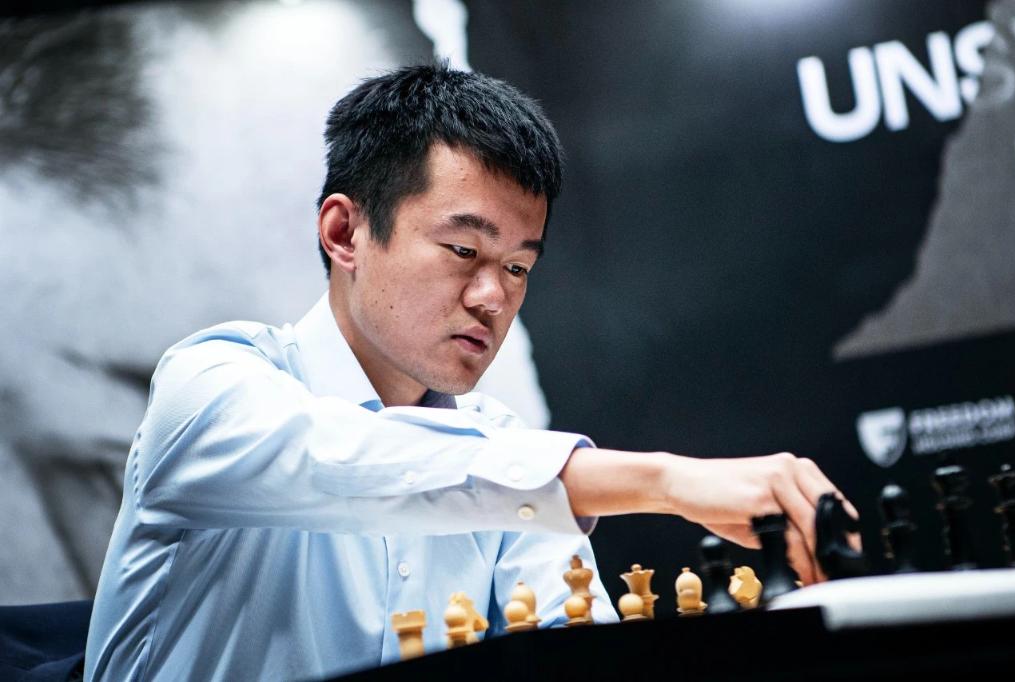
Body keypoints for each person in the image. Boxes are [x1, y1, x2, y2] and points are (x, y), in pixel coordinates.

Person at [85, 64, 857, 681]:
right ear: (344, 232)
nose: (494, 297)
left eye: (518, 267)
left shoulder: (500, 442)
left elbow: (571, 641)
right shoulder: (210, 387)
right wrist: (664, 482)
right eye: (463, 250)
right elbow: (340, 457)